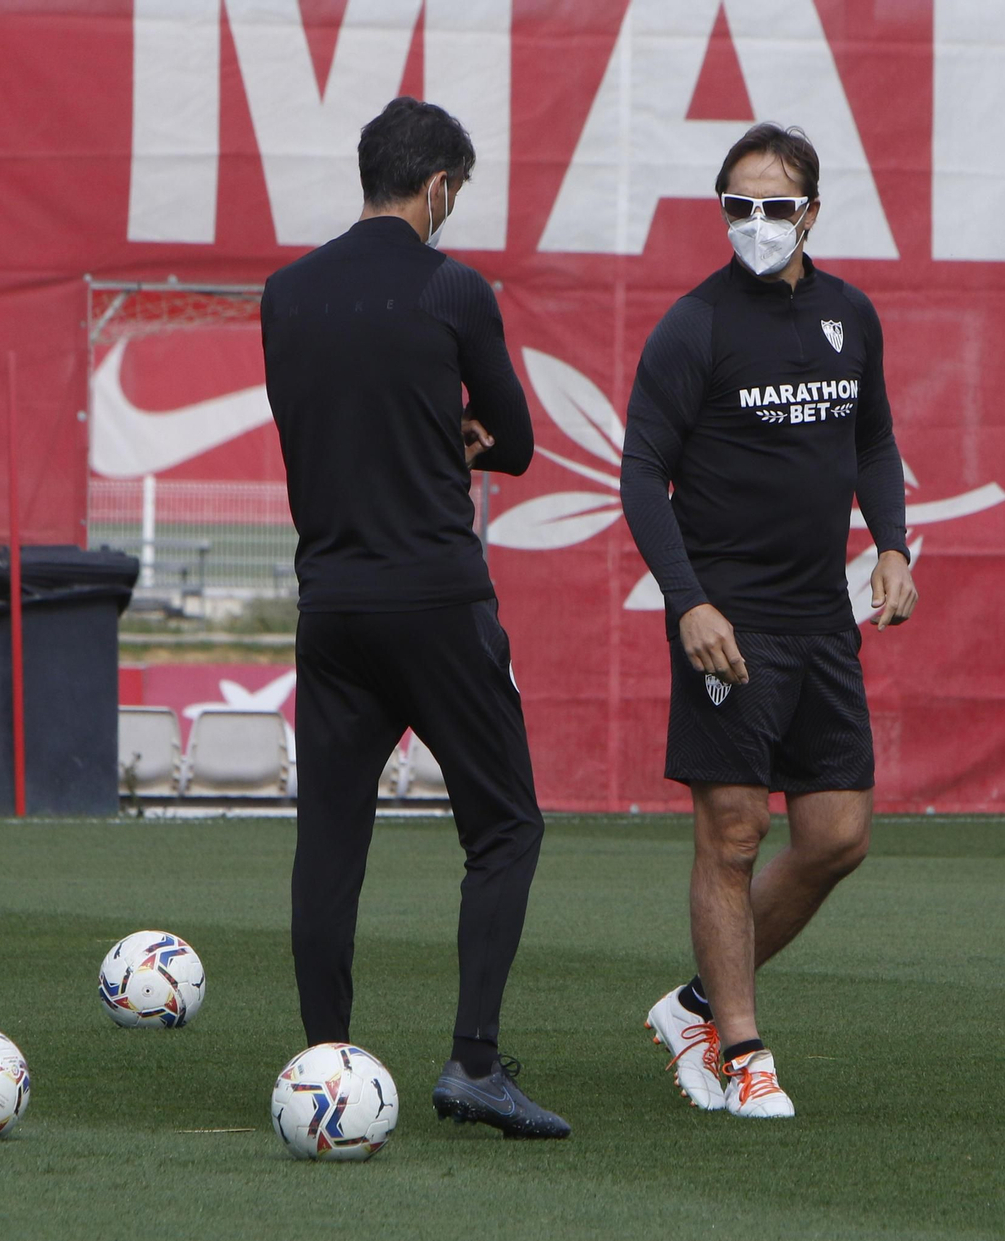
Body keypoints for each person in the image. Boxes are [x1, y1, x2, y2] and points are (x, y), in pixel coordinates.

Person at [261, 97, 568, 1139]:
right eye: (457, 195)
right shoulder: (451, 288)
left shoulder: (284, 293)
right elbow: (517, 440)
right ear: (437, 186)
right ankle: (473, 1061)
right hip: (436, 598)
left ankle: (323, 1057)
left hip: (331, 602)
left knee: (330, 838)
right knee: (506, 824)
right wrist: (454, 432)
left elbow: (329, 422)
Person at [620, 123, 918, 1119]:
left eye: (774, 205)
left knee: (837, 835)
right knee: (734, 831)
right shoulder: (693, 324)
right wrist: (688, 599)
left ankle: (696, 1000)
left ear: (812, 213)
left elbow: (873, 436)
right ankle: (741, 1048)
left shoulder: (849, 314)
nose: (755, 223)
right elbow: (639, 475)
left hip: (821, 617)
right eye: (736, 205)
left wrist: (890, 542)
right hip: (728, 619)